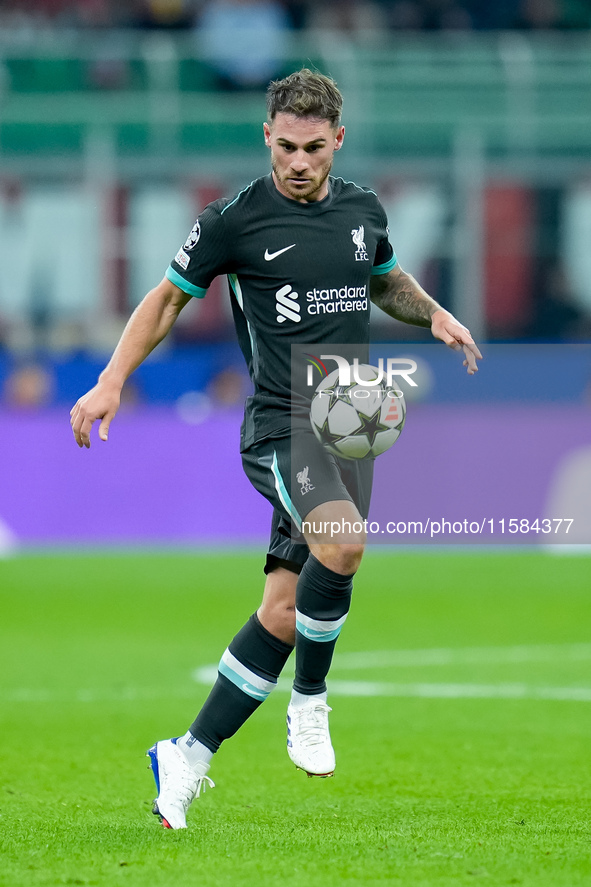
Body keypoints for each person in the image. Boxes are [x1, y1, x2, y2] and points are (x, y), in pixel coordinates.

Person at [70, 69, 482, 830]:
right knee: (344, 544)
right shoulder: (233, 221)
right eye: (285, 146)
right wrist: (111, 379)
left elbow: (384, 281)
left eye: (313, 148)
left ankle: (186, 755)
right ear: (266, 135)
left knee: (285, 610)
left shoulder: (362, 209)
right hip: (279, 422)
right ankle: (311, 701)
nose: (297, 162)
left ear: (338, 141)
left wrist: (432, 314)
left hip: (351, 421)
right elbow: (164, 299)